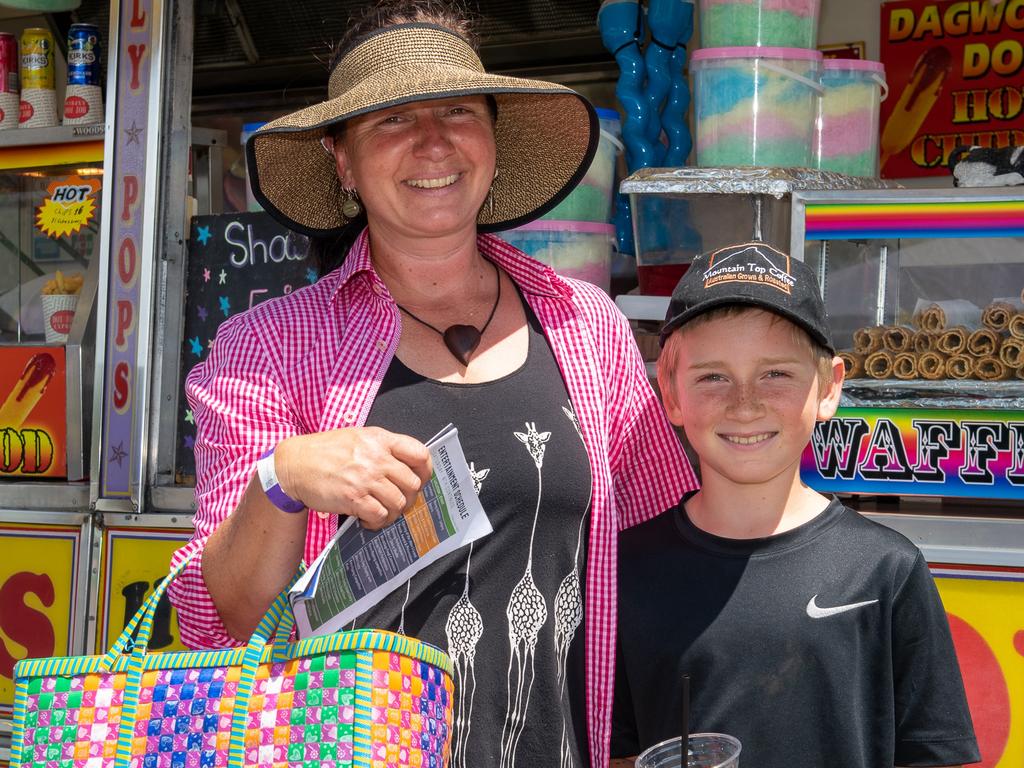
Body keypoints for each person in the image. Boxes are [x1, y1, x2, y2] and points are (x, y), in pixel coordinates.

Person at [167, 2, 697, 766]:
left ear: (490, 140)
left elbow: (662, 541)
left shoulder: (584, 324)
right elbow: (225, 618)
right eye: (390, 120)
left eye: (457, 111)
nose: (432, 140)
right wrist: (281, 481)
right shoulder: (268, 346)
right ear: (342, 163)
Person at [611, 242, 980, 768]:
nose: (745, 403)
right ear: (669, 392)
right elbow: (613, 746)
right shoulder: (624, 570)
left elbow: (934, 753)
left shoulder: (885, 570)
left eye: (776, 374)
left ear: (828, 388)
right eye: (712, 376)